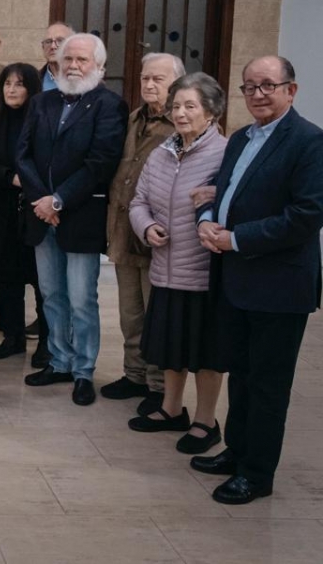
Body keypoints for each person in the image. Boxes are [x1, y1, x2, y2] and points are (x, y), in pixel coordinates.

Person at [190, 56, 323, 505]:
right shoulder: (242, 138)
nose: (259, 94)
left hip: (280, 285)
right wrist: (207, 220)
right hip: (237, 279)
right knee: (242, 375)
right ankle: (237, 450)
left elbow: (306, 216)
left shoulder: (309, 142)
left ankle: (257, 473)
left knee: (268, 385)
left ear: (292, 89)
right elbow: (220, 191)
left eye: (269, 85)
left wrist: (236, 239)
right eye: (250, 87)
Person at [17, 33, 127, 406]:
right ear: (58, 63)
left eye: (83, 60)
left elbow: (101, 162)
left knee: (82, 299)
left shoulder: (109, 105)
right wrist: (42, 201)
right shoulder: (41, 102)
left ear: (99, 67)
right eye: (69, 59)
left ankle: (83, 371)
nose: (74, 66)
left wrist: (59, 200)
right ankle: (59, 361)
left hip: (79, 216)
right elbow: (23, 154)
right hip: (41, 216)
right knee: (51, 295)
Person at [126, 72, 228, 454]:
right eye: (176, 106)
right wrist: (147, 226)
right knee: (171, 346)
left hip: (203, 271)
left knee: (204, 352)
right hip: (165, 267)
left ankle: (206, 420)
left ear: (211, 112)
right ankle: (171, 409)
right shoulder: (161, 152)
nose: (181, 113)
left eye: (191, 106)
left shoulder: (224, 153)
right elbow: (138, 202)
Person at [101, 53, 184, 411]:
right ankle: (134, 374)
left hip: (157, 237)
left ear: (176, 84)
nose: (149, 85)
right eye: (145, 78)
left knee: (156, 315)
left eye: (159, 80)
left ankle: (157, 385)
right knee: (130, 313)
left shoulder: (183, 124)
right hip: (123, 231)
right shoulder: (134, 118)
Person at [0, 63, 49, 365]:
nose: (12, 90)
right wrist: (8, 177)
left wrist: (28, 181)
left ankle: (47, 340)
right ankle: (13, 335)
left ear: (31, 89)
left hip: (36, 209)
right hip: (2, 207)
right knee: (5, 275)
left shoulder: (43, 120)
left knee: (40, 278)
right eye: (7, 84)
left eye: (19, 84)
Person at [40, 22, 73, 92]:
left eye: (60, 41)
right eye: (48, 41)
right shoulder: (33, 81)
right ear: (43, 47)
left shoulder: (86, 81)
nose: (53, 46)